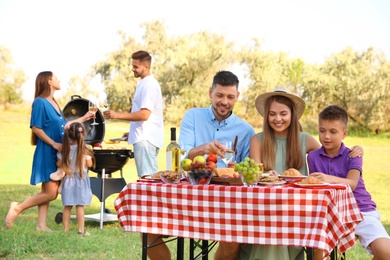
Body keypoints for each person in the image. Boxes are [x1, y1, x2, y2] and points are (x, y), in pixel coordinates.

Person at [141, 71, 255, 260]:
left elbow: (245, 172)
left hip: (225, 202)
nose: (224, 101)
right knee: (147, 224)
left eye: (230, 97)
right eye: (219, 95)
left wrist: (235, 167)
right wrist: (204, 148)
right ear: (210, 93)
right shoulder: (193, 116)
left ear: (237, 97)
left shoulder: (246, 131)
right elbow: (184, 159)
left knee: (234, 236)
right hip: (188, 197)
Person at [242, 87, 364, 260]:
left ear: (292, 115)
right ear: (266, 116)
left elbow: (331, 152)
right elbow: (254, 173)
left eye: (283, 113)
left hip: (297, 210)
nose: (278, 119)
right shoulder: (258, 140)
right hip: (266, 208)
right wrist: (267, 174)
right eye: (272, 114)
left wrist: (356, 149)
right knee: (272, 226)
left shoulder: (304, 139)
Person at [5, 71, 93, 231]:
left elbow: (64, 125)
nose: (60, 79)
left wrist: (84, 118)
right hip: (48, 150)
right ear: (49, 82)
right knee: (51, 193)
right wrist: (53, 143)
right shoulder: (40, 102)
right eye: (56, 77)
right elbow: (36, 127)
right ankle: (17, 208)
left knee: (46, 190)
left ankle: (41, 225)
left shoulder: (54, 101)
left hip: (58, 150)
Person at [307, 105, 390, 260]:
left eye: (333, 131)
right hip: (331, 214)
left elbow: (352, 183)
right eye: (322, 130)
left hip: (361, 211)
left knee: (386, 252)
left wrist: (328, 178)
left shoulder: (353, 155)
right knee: (318, 252)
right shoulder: (313, 157)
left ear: (344, 133)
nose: (326, 136)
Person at [103, 50, 164, 179]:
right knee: (147, 178)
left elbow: (144, 115)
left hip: (145, 140)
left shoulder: (149, 85)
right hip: (144, 137)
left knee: (147, 180)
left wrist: (116, 115)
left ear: (146, 67)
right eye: (133, 66)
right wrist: (132, 132)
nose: (133, 69)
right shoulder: (143, 83)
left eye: (136, 66)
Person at [57, 122, 95, 236]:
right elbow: (89, 164)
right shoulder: (85, 149)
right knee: (80, 205)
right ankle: (81, 230)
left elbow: (59, 163)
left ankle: (65, 230)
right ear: (82, 134)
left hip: (68, 179)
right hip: (81, 178)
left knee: (67, 205)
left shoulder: (65, 148)